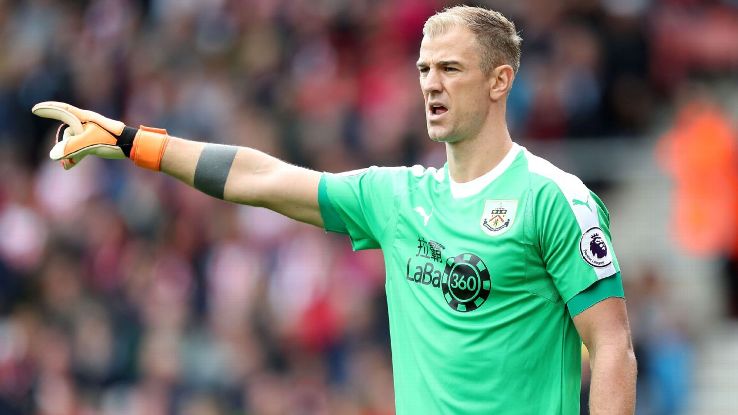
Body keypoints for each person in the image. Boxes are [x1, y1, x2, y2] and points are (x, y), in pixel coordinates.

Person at [32, 5, 637, 414]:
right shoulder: (395, 197)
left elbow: (611, 348)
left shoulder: (554, 198)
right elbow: (262, 177)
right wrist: (132, 141)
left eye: (451, 69)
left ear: (501, 80)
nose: (431, 83)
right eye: (424, 68)